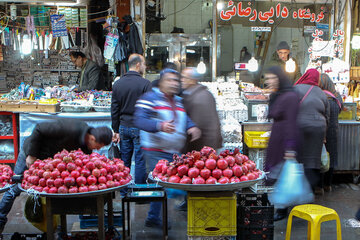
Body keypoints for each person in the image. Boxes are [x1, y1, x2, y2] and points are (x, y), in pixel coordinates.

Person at [0, 120, 113, 233]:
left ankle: (56, 227)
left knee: (55, 194)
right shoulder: (72, 128)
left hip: (48, 164)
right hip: (31, 154)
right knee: (14, 187)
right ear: (93, 138)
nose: (97, 149)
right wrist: (31, 155)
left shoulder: (85, 147)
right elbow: (39, 128)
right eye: (98, 146)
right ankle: (0, 219)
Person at [134, 68, 201, 228]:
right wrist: (159, 125)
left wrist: (191, 127)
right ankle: (154, 218)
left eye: (176, 81)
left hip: (172, 151)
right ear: (162, 81)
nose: (173, 83)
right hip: (155, 149)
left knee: (164, 184)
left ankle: (153, 216)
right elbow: (139, 119)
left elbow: (183, 118)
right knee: (163, 183)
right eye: (170, 80)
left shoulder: (177, 100)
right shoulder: (151, 98)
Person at [111, 53, 152, 184]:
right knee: (140, 160)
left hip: (124, 127)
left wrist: (115, 130)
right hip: (140, 127)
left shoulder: (118, 84)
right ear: (138, 64)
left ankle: (124, 191)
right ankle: (139, 191)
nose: (145, 67)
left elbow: (115, 109)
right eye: (144, 64)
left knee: (124, 160)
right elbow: (150, 109)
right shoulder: (146, 84)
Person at [294, 69, 329, 195]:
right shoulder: (321, 92)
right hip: (318, 128)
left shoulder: (296, 88)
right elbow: (327, 115)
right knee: (313, 159)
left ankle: (297, 188)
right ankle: (310, 190)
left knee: (297, 158)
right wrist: (324, 135)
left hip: (300, 126)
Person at [181, 67, 222, 152]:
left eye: (185, 78)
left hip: (202, 148)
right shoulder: (193, 94)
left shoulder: (200, 97)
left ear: (193, 80)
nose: (182, 80)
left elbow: (200, 126)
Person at [319, 73, 343, 192]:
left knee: (321, 157)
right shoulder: (337, 96)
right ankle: (328, 185)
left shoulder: (320, 96)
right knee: (331, 157)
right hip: (334, 130)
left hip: (322, 129)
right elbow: (340, 109)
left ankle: (319, 186)